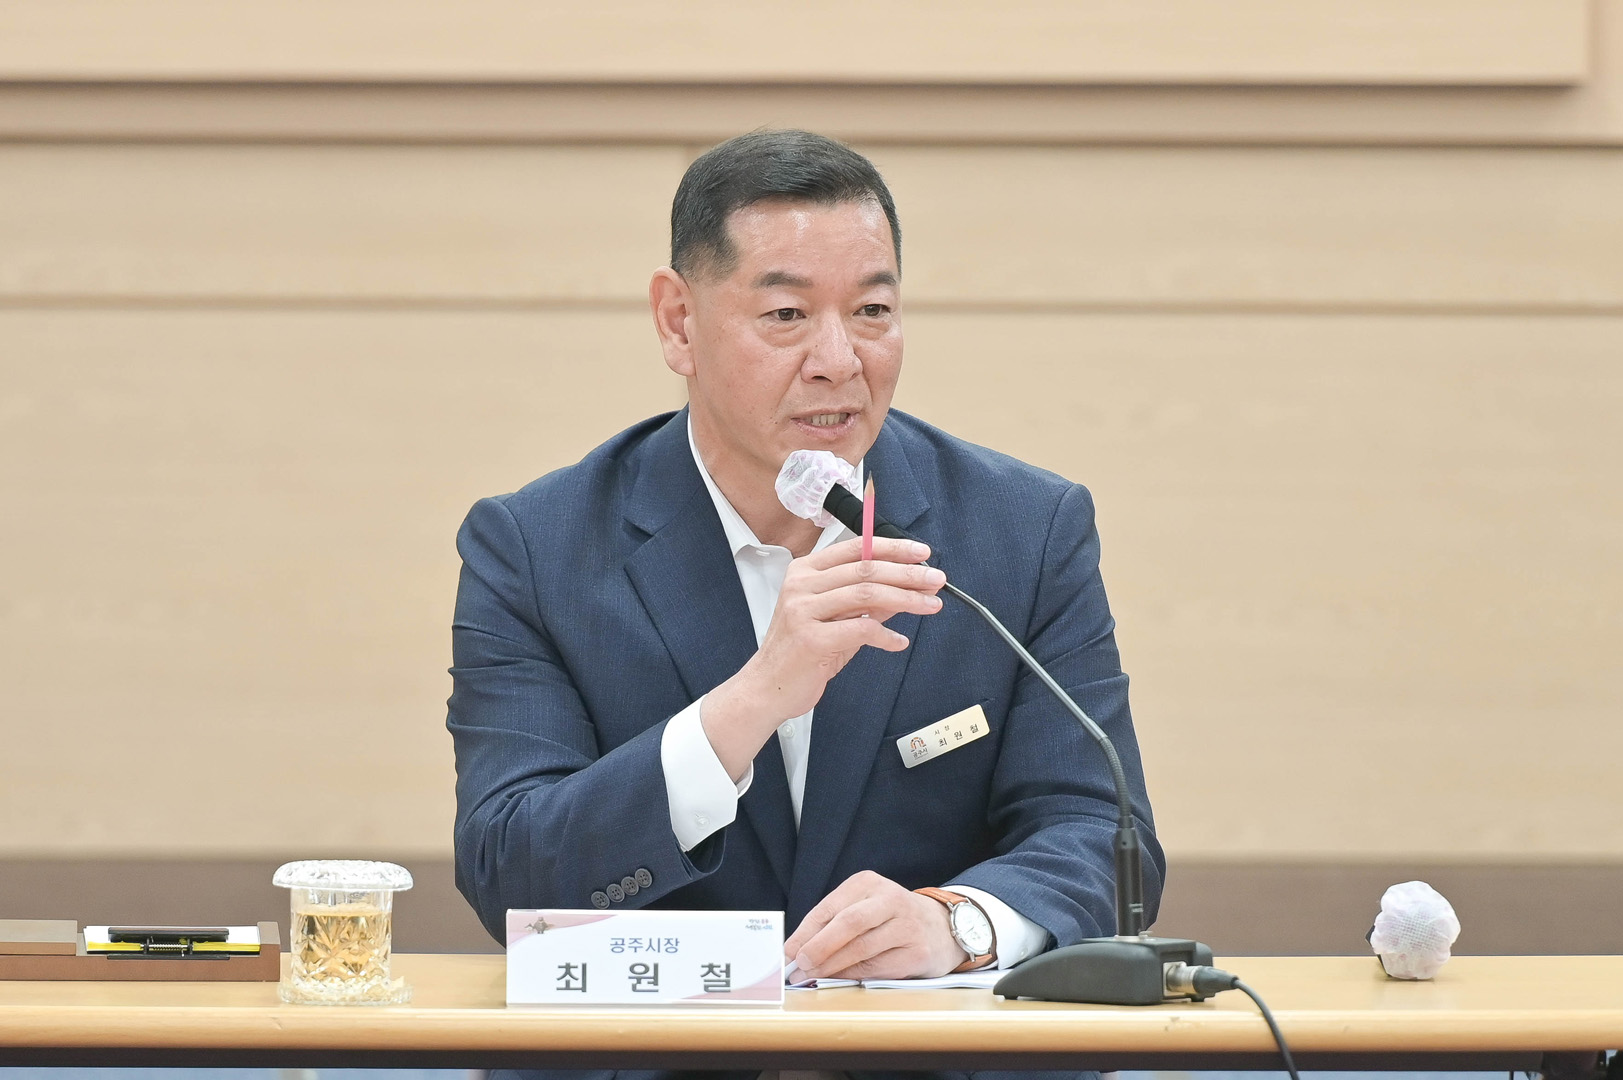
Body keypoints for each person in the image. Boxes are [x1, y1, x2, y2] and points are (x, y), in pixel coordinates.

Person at [447, 129, 1163, 1079]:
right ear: (678, 322)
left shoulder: (1021, 531)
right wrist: (754, 699)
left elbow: (1102, 836)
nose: (838, 360)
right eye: (785, 314)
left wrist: (959, 925)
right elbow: (510, 874)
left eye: (872, 310)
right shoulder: (537, 547)